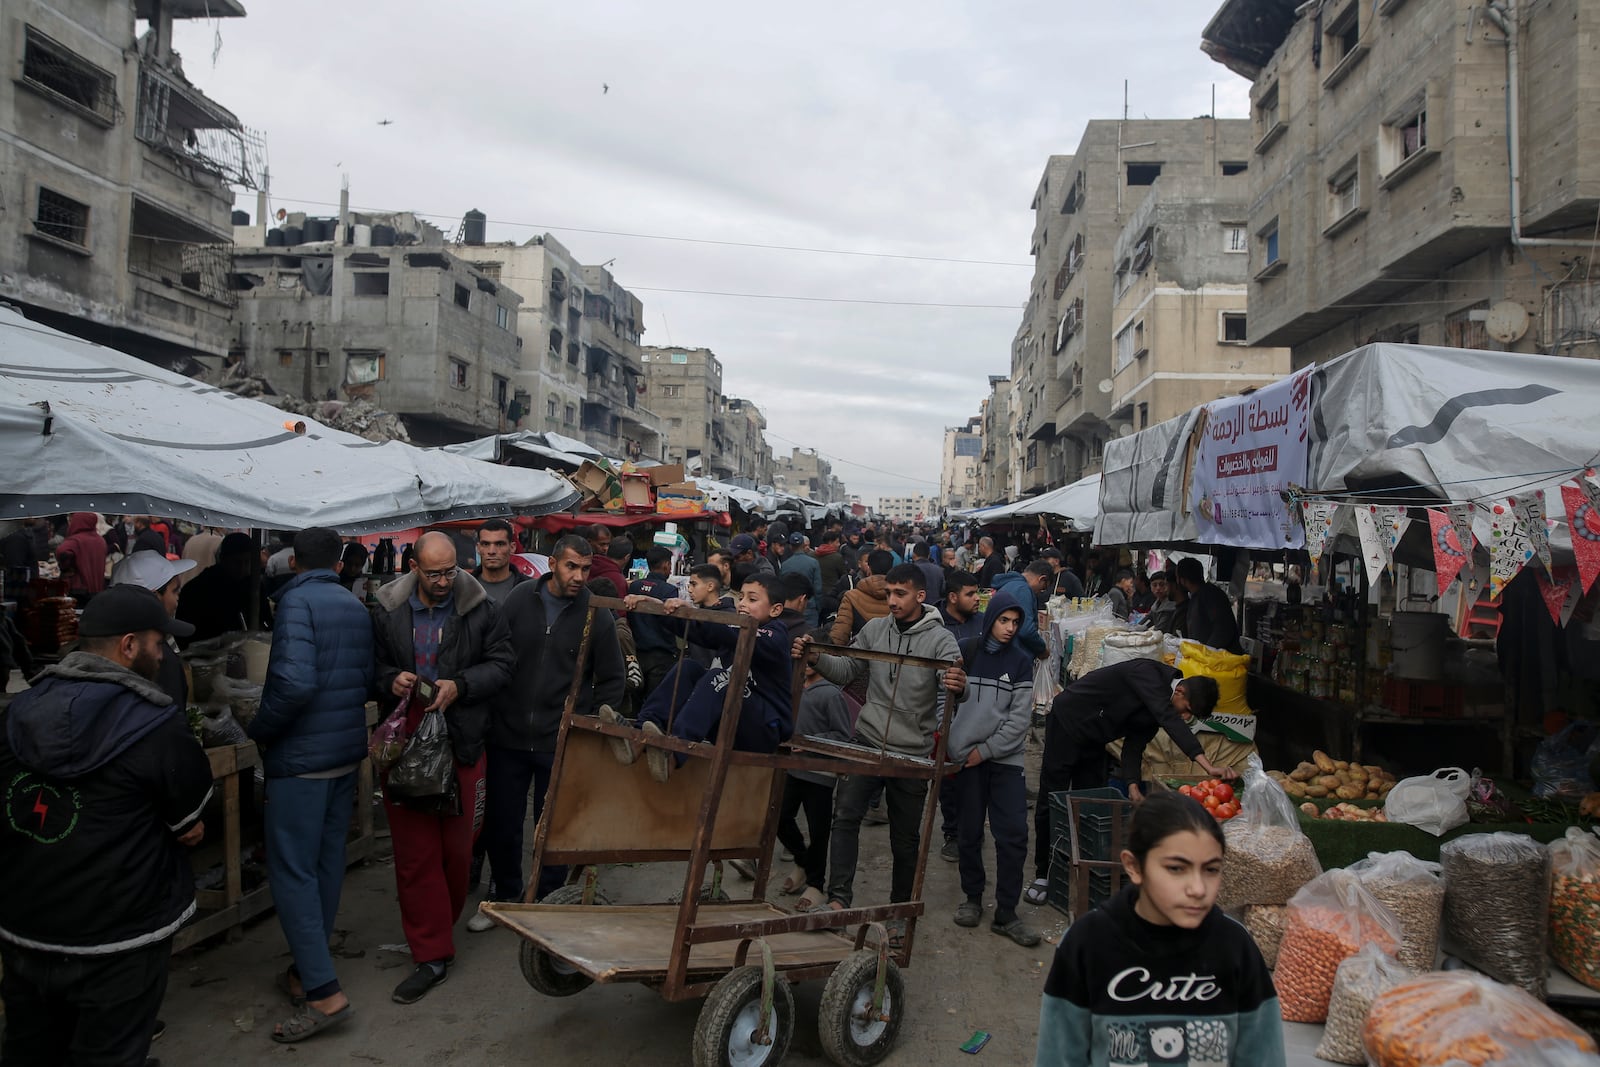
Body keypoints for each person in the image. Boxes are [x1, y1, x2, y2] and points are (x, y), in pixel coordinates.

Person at [0, 585, 211, 1067]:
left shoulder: (17, 714)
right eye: (159, 643)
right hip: (119, 938)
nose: (163, 656)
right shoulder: (156, 725)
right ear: (130, 645)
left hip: (26, 927)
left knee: (30, 1050)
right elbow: (189, 822)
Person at [1034, 793, 1286, 1067]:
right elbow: (1058, 1056)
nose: (1198, 889)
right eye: (1176, 868)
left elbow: (1262, 1055)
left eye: (1211, 870)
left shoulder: (1235, 947)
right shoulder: (1087, 943)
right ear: (1134, 867)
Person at [371, 531, 514, 1003]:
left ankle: (438, 927)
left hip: (463, 738)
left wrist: (461, 685)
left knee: (457, 853)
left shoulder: (480, 608)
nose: (443, 580)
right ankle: (430, 953)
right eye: (433, 573)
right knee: (415, 856)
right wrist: (391, 679)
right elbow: (370, 668)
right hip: (407, 739)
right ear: (414, 566)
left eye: (450, 570)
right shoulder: (387, 609)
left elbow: (503, 665)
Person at [248, 528, 373, 1043]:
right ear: (341, 562)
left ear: (294, 561)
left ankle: (323, 991)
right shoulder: (352, 604)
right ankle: (306, 970)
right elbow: (362, 678)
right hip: (342, 753)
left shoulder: (297, 603)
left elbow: (295, 684)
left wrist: (261, 727)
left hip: (301, 759)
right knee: (323, 865)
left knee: (292, 871)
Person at [795, 564, 964, 939]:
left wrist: (957, 684)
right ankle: (839, 900)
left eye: (899, 594)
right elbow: (847, 671)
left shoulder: (941, 641)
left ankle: (898, 910)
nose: (891, 601)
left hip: (912, 753)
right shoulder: (874, 629)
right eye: (888, 593)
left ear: (920, 597)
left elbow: (950, 687)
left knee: (904, 839)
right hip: (869, 740)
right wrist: (816, 658)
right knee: (845, 816)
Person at [476, 535, 624, 927]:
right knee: (502, 824)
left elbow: (612, 678)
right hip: (507, 735)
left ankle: (546, 899)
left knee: (553, 826)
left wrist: (585, 722)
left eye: (585, 568)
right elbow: (496, 655)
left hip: (559, 739)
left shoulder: (597, 612)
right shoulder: (520, 599)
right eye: (571, 566)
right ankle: (505, 893)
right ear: (554, 564)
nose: (578, 576)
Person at [1025, 659, 1231, 907]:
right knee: (1053, 796)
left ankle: (1076, 867)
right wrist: (1206, 765)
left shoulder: (1158, 708)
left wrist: (1132, 785)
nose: (1185, 717)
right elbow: (1167, 717)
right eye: (1187, 710)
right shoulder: (1147, 673)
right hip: (1068, 722)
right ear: (1180, 691)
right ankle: (1042, 874)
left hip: (1095, 737)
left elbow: (1134, 747)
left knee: (1089, 801)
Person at [604, 571, 796, 783]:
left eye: (752, 599)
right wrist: (661, 608)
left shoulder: (775, 635)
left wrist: (695, 613)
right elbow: (700, 631)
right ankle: (640, 736)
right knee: (689, 668)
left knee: (721, 678)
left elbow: (726, 632)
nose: (742, 604)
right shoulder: (734, 629)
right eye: (741, 597)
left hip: (762, 729)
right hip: (727, 721)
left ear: (776, 609)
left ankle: (674, 753)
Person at [946, 591, 1040, 947]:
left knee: (1013, 835)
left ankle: (1006, 912)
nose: (1010, 628)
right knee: (969, 832)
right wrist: (955, 747)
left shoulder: (1020, 662)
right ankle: (971, 898)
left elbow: (1018, 723)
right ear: (991, 620)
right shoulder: (967, 651)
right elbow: (945, 699)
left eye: (1016, 623)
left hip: (1004, 761)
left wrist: (984, 751)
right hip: (966, 760)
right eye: (1004, 620)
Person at [778, 638, 854, 910]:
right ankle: (803, 862)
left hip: (820, 775)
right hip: (792, 771)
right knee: (779, 817)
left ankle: (816, 885)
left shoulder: (831, 694)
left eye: (814, 656)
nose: (807, 661)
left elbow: (843, 736)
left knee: (819, 831)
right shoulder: (793, 685)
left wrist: (809, 742)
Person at [934, 570, 985, 862]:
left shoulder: (983, 623)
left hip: (979, 711)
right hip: (946, 714)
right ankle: (952, 833)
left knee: (977, 779)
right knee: (949, 780)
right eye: (970, 594)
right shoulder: (936, 625)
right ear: (953, 597)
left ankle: (973, 831)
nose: (977, 599)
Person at [109, 550, 198, 709]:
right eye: (175, 591)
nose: (178, 598)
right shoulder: (155, 655)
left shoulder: (108, 641)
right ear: (154, 597)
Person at [177, 532, 264, 643]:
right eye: (237, 562)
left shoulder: (254, 586)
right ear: (223, 559)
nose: (243, 568)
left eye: (247, 562)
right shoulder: (200, 589)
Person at [628, 546, 682, 698]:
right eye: (670, 565)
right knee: (655, 699)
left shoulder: (634, 586)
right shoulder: (669, 590)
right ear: (666, 565)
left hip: (637, 653)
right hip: (662, 655)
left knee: (636, 699)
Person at [1174, 557, 1242, 653]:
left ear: (1182, 580)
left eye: (1177, 578)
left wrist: (1207, 652)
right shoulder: (1196, 596)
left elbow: (1223, 630)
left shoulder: (1211, 595)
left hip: (1222, 661)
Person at [829, 548, 893, 644]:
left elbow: (839, 636)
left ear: (869, 569)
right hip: (891, 655)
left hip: (859, 654)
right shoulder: (901, 599)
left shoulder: (851, 597)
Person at [991, 559, 1052, 658]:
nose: (1040, 591)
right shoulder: (1022, 590)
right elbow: (1026, 630)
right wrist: (1041, 649)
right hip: (1014, 654)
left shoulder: (1011, 585)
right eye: (1043, 587)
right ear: (1042, 579)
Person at [684, 563, 735, 668]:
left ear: (710, 586)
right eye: (689, 585)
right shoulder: (696, 614)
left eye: (694, 584)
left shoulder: (730, 617)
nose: (689, 590)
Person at [472, 518, 529, 606]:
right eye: (486, 544)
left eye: (499, 544)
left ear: (512, 547)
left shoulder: (530, 589)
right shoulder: (463, 588)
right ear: (478, 548)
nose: (491, 551)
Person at [56, 511, 108, 599]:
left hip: (78, 588)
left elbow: (61, 551)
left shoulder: (75, 541)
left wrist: (66, 567)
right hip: (97, 588)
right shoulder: (101, 540)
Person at [777, 533, 823, 627]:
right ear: (803, 545)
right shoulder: (813, 563)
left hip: (791, 607)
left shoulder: (785, 565)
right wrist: (818, 607)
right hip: (810, 606)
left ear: (790, 546)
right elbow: (818, 588)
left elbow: (781, 588)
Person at [589, 530, 630, 600]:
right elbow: (620, 609)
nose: (605, 548)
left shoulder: (588, 566)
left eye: (607, 544)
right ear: (627, 557)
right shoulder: (618, 580)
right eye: (602, 544)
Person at [910, 541, 945, 606]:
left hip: (916, 608)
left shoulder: (910, 570)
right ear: (929, 555)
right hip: (935, 609)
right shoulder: (939, 570)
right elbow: (943, 591)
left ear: (914, 554)